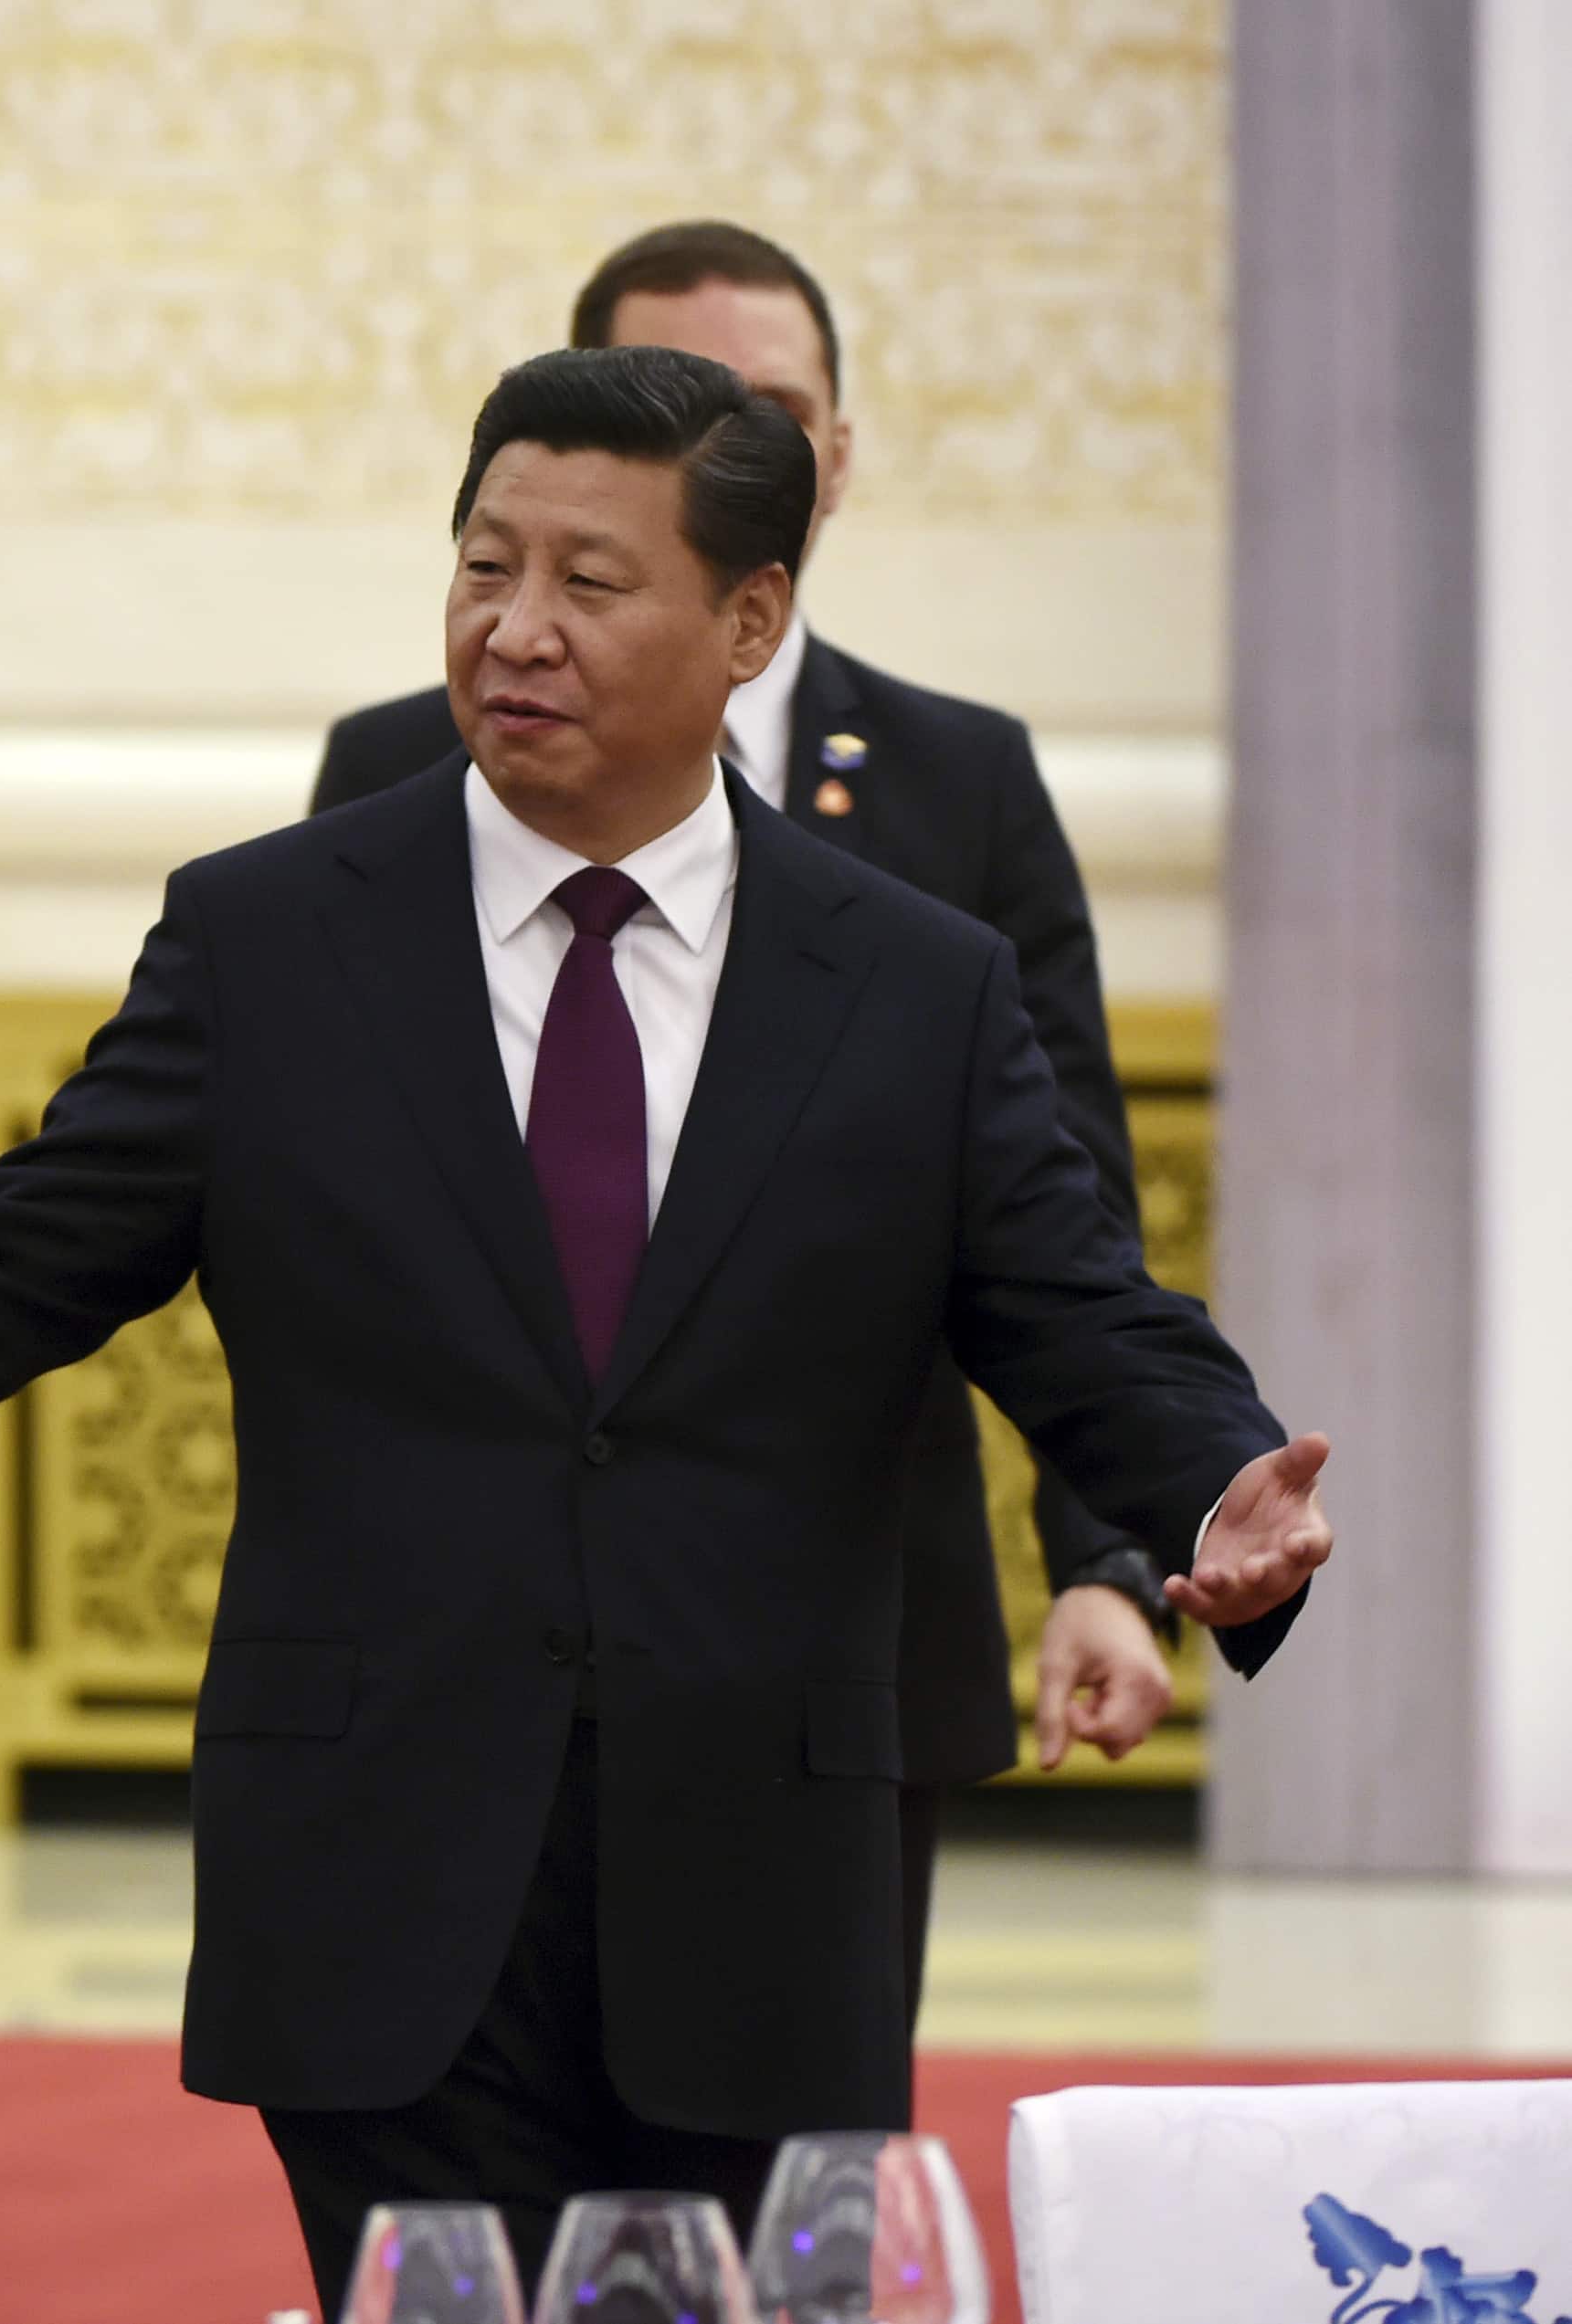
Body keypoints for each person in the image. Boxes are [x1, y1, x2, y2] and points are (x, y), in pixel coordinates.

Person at [0, 346, 1331, 2301]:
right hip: (385, 1860)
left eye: (591, 582)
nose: (516, 629)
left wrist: (1202, 1498)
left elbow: (1079, 1302)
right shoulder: (276, 937)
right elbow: (13, 1257)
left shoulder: (911, 986)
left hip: (763, 1872)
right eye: (482, 566)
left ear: (750, 620)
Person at [318, 221, 1183, 2014]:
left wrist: (1106, 1560)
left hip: (843, 1645)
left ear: (833, 459)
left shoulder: (956, 779)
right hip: (467, 1647)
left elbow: (1062, 1217)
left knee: (791, 2209)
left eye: (771, 412)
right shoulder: (400, 768)